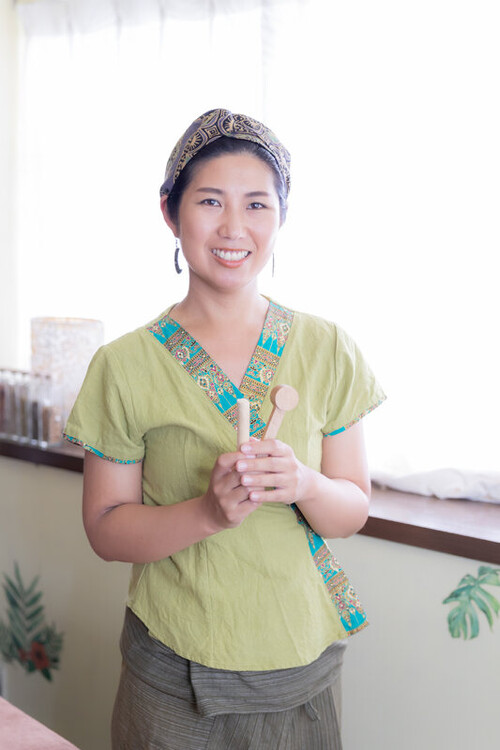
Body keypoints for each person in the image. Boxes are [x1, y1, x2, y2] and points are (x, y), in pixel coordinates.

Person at [64, 108, 385, 749]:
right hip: (172, 670)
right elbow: (105, 529)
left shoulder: (329, 348)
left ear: (281, 218)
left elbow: (351, 510)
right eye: (210, 201)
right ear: (170, 212)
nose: (234, 227)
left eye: (257, 205)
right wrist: (208, 512)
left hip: (301, 662)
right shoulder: (124, 365)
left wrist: (304, 483)